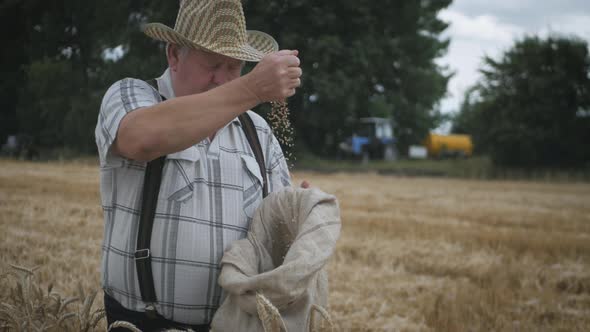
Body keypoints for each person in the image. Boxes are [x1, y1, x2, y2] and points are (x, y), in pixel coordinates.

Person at [94, 0, 305, 330]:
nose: (223, 80)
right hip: (144, 324)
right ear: (174, 55)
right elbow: (140, 138)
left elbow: (276, 227)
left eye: (234, 67)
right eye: (212, 64)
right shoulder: (131, 96)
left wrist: (299, 214)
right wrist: (250, 87)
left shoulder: (257, 131)